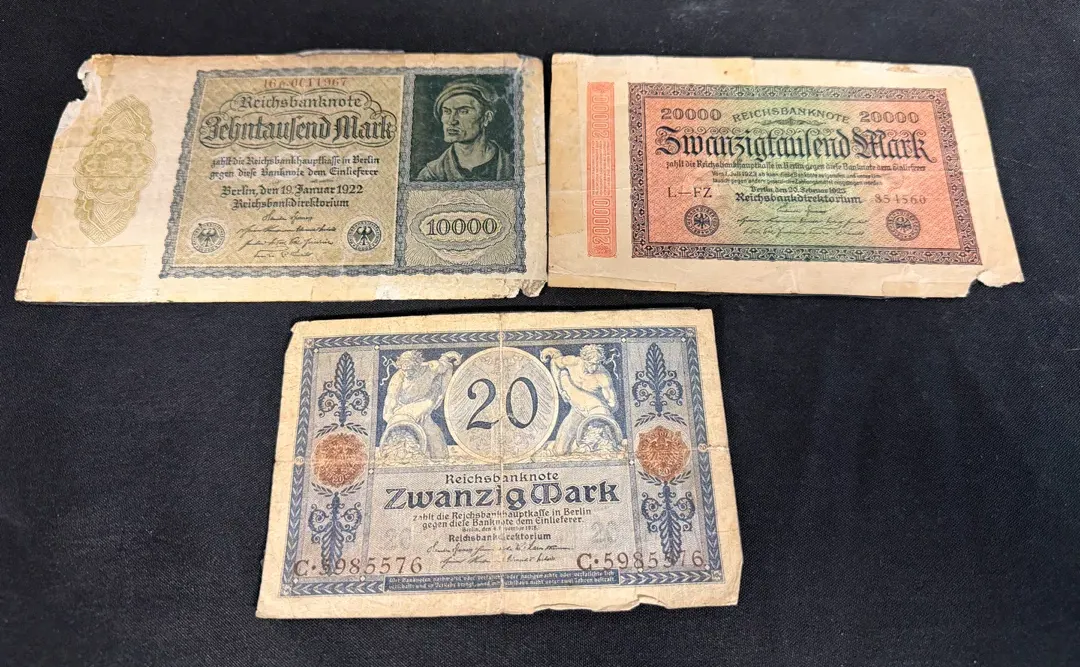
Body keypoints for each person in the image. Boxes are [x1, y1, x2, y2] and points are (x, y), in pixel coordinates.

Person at [416, 78, 512, 182]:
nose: (452, 121)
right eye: (447, 112)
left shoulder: (513, 167)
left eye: (463, 111)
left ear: (486, 118)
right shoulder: (430, 175)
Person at [381, 350, 461, 460]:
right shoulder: (397, 379)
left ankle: (439, 458)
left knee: (432, 433)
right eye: (404, 370)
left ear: (418, 365)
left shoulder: (431, 368)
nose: (407, 374)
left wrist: (441, 394)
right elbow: (390, 402)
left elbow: (446, 366)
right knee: (422, 431)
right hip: (402, 409)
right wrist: (392, 421)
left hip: (423, 403)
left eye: (411, 370)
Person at [541, 345, 618, 455]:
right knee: (560, 451)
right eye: (591, 363)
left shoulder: (603, 377)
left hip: (596, 412)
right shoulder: (573, 362)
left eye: (598, 363)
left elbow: (612, 404)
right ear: (583, 359)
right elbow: (555, 362)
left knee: (594, 449)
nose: (595, 367)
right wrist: (561, 390)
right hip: (577, 410)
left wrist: (599, 419)